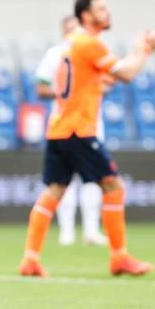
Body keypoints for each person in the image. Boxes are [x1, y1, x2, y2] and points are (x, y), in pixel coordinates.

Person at [19, 0, 155, 278]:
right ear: (86, 15)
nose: (107, 13)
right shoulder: (89, 43)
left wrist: (134, 53)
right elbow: (126, 74)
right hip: (79, 129)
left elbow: (106, 77)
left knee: (54, 190)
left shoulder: (72, 44)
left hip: (59, 128)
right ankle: (119, 257)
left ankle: (30, 259)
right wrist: (146, 49)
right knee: (113, 186)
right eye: (101, 9)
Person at [35, 15, 108, 247]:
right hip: (66, 123)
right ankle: (66, 231)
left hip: (89, 122)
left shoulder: (90, 51)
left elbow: (106, 82)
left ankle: (91, 230)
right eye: (68, 29)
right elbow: (41, 88)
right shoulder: (55, 54)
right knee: (64, 183)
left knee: (92, 180)